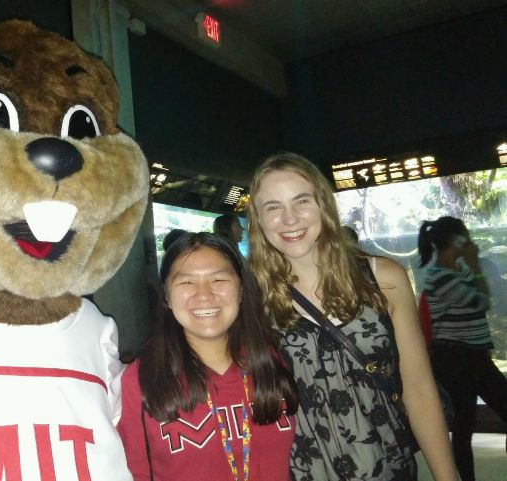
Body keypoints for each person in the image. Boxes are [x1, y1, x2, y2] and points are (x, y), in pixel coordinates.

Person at [247, 152, 458, 481]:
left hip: (390, 468)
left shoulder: (383, 278)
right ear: (258, 220)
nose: (290, 219)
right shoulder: (252, 298)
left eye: (301, 201)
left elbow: (418, 388)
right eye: (273, 207)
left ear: (323, 205)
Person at [117, 232, 298, 481]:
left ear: (242, 289)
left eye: (219, 279)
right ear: (167, 296)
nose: (204, 294)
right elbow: (133, 470)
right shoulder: (143, 377)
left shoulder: (273, 361)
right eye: (186, 283)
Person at [419, 216, 507, 481]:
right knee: (463, 425)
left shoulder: (455, 272)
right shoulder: (441, 277)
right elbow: (481, 301)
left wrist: (470, 266)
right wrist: (474, 265)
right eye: (465, 238)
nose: (470, 243)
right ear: (455, 241)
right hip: (457, 359)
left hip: (472, 358)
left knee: (465, 424)